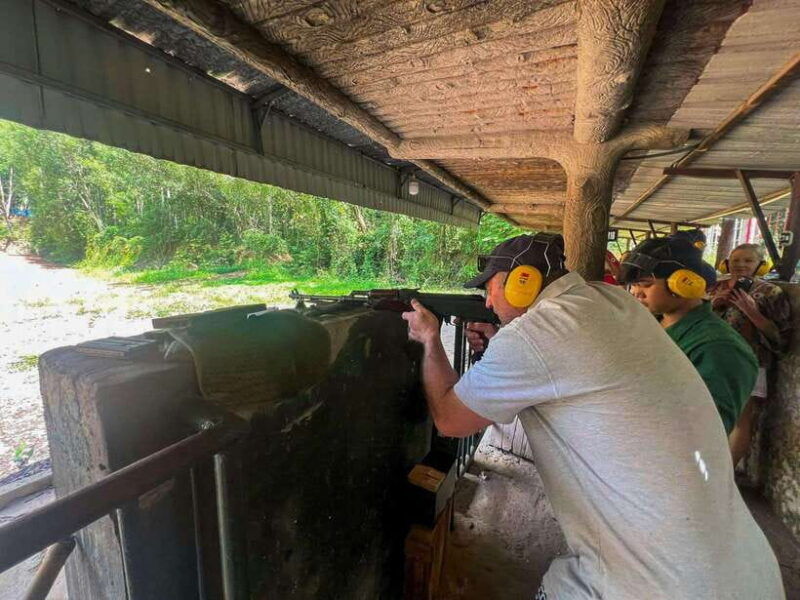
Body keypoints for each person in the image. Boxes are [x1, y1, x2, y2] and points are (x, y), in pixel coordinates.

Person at [402, 233, 783, 600]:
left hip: (649, 581)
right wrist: (504, 341)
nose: (486, 301)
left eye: (491, 287)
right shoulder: (611, 302)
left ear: (524, 281)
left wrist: (430, 340)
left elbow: (450, 420)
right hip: (738, 567)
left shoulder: (539, 334)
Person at [620, 236, 758, 434]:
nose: (636, 293)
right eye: (633, 285)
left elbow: (705, 431)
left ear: (684, 284)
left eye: (646, 285)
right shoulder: (654, 326)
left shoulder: (718, 347)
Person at [710, 243, 793, 470]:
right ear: (726, 263)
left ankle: (725, 474)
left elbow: (780, 337)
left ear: (760, 265)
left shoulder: (771, 293)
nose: (741, 265)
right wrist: (715, 305)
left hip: (750, 362)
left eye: (748, 260)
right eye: (736, 260)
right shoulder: (716, 287)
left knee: (741, 420)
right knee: (710, 416)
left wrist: (752, 312)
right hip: (714, 360)